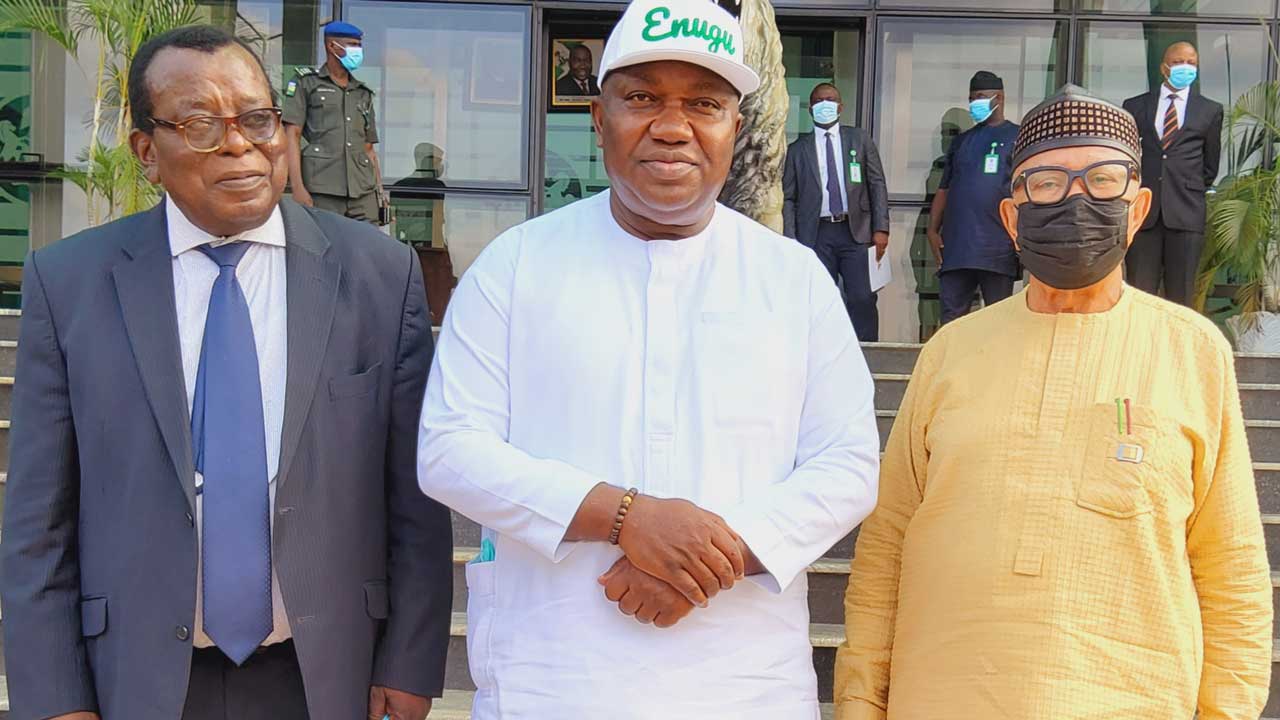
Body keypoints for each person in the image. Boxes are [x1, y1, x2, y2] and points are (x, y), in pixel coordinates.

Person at [419, 0, 880, 717]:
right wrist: (623, 516)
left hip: (745, 684)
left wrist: (712, 558)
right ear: (598, 119)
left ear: (736, 129)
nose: (672, 126)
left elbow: (847, 465)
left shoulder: (793, 279)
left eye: (704, 104)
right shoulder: (516, 266)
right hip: (553, 679)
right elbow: (450, 451)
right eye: (641, 99)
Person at [0, 25, 453, 720]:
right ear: (147, 152)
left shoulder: (379, 275)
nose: (239, 144)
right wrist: (56, 699)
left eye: (256, 119)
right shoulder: (70, 284)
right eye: (201, 125)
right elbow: (39, 521)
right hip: (136, 680)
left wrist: (410, 664)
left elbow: (415, 499)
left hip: (327, 674)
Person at [834, 84, 1271, 719]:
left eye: (1102, 180)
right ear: (1012, 218)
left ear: (1138, 208)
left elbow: (1232, 568)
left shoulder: (1192, 352)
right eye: (1045, 185)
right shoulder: (950, 351)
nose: (1075, 201)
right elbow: (885, 549)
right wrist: (859, 700)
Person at [782, 82, 890, 341]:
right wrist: (792, 239)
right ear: (810, 109)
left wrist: (881, 228)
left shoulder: (859, 139)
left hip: (856, 230)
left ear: (840, 107)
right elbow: (788, 198)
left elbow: (876, 183)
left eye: (830, 100)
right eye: (818, 101)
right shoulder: (797, 149)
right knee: (820, 299)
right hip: (816, 234)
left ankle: (867, 352)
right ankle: (824, 352)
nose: (824, 105)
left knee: (862, 297)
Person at [1122, 41, 1223, 307]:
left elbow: (1210, 165)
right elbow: (1127, 157)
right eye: (1179, 62)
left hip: (1186, 214)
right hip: (1144, 214)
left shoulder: (1209, 110)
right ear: (1164, 67)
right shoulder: (1135, 106)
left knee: (1181, 296)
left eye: (1191, 63)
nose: (1185, 68)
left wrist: (1187, 186)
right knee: (1139, 295)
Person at [926, 70, 1020, 324]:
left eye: (979, 96)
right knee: (952, 320)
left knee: (997, 321)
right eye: (971, 98)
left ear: (999, 98)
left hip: (998, 246)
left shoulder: (1018, 137)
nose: (974, 103)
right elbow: (945, 188)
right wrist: (932, 229)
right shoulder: (962, 141)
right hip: (957, 247)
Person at [283, 21, 384, 225]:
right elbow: (291, 135)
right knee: (325, 243)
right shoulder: (306, 83)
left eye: (359, 46)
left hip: (362, 192)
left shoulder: (362, 93)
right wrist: (297, 187)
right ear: (332, 46)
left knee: (370, 243)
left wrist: (379, 192)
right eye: (352, 45)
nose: (358, 51)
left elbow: (369, 148)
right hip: (322, 188)